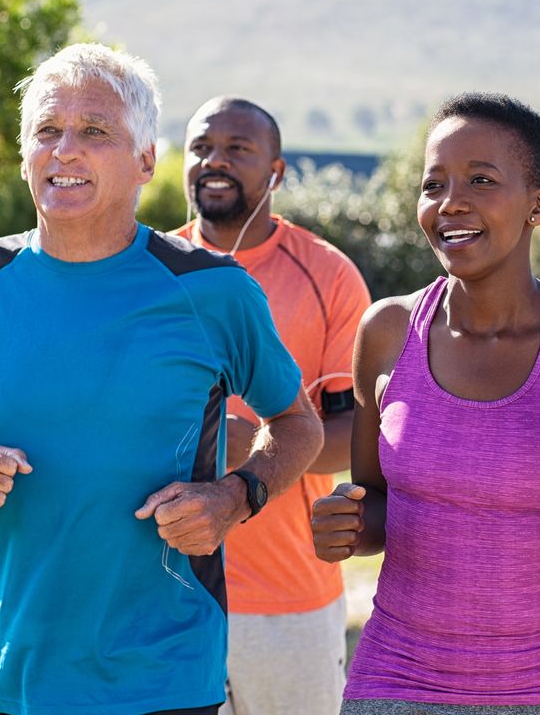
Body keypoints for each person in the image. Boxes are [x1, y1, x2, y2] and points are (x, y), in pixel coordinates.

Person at [0, 44, 324, 715]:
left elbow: (298, 424)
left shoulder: (213, 289)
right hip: (12, 675)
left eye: (95, 131)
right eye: (47, 131)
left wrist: (233, 497)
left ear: (145, 161)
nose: (65, 150)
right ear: (25, 158)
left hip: (167, 674)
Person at [311, 92, 540, 715]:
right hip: (399, 684)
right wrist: (349, 527)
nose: (450, 201)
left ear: (538, 205)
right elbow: (377, 501)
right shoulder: (385, 334)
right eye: (434, 184)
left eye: (481, 180)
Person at [171, 96, 371, 715]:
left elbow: (362, 432)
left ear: (276, 172)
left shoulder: (329, 275)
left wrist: (257, 444)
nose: (215, 161)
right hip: (158, 592)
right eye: (202, 147)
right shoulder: (142, 271)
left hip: (288, 597)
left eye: (237, 149)